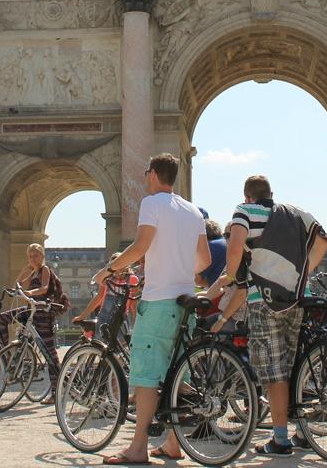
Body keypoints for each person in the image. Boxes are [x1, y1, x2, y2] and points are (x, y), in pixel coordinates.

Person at [90, 153, 211, 465]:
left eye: (147, 173)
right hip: (187, 300)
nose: (145, 178)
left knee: (145, 376)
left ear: (155, 174)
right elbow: (205, 260)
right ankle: (173, 443)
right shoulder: (193, 209)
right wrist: (181, 269)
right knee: (178, 373)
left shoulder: (152, 203)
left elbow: (141, 246)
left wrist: (109, 269)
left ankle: (138, 447)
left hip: (159, 301)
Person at [212, 174, 327, 455]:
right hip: (295, 299)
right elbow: (323, 242)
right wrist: (304, 272)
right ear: (271, 193)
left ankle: (280, 439)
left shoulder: (245, 211)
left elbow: (235, 242)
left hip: (262, 300)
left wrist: (230, 275)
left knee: (274, 374)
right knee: (291, 368)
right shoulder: (296, 213)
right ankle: (301, 430)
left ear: (247, 196)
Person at [13, 243, 61, 404]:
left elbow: (45, 288)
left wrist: (30, 292)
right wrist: (25, 269)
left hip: (43, 313)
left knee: (49, 353)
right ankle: (9, 357)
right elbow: (17, 284)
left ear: (42, 256)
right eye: (30, 256)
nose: (33, 258)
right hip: (33, 310)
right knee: (6, 318)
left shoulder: (45, 269)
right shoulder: (32, 271)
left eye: (36, 255)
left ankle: (56, 391)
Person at [198, 218, 227, 289]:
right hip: (228, 290)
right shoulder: (224, 242)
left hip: (222, 294)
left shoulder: (211, 246)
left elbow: (196, 279)